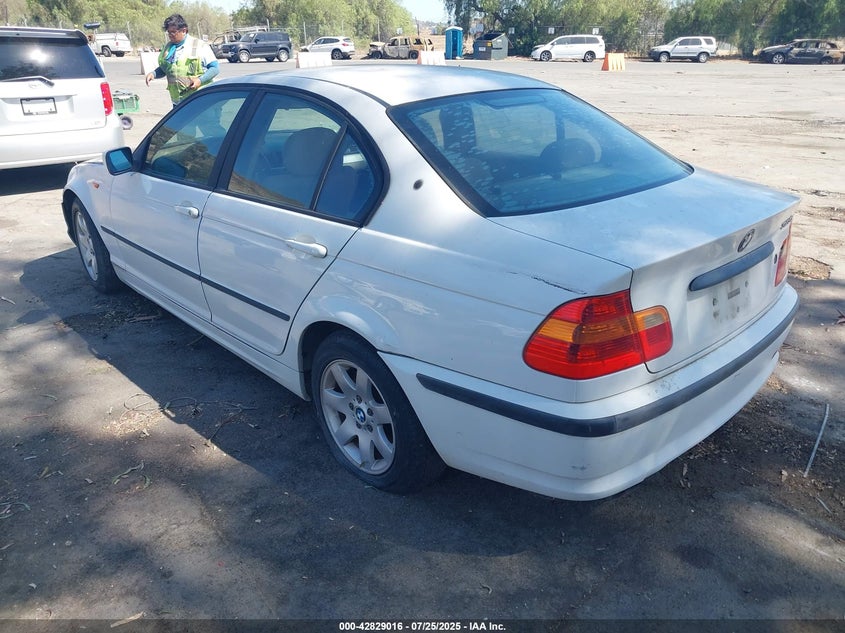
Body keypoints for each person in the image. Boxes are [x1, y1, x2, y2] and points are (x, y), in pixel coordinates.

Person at [145, 14, 219, 107]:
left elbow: (215, 68)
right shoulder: (168, 48)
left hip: (201, 100)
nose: (170, 35)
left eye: (173, 32)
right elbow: (166, 68)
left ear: (184, 30)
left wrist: (200, 80)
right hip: (178, 103)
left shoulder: (200, 46)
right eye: (168, 32)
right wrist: (154, 74)